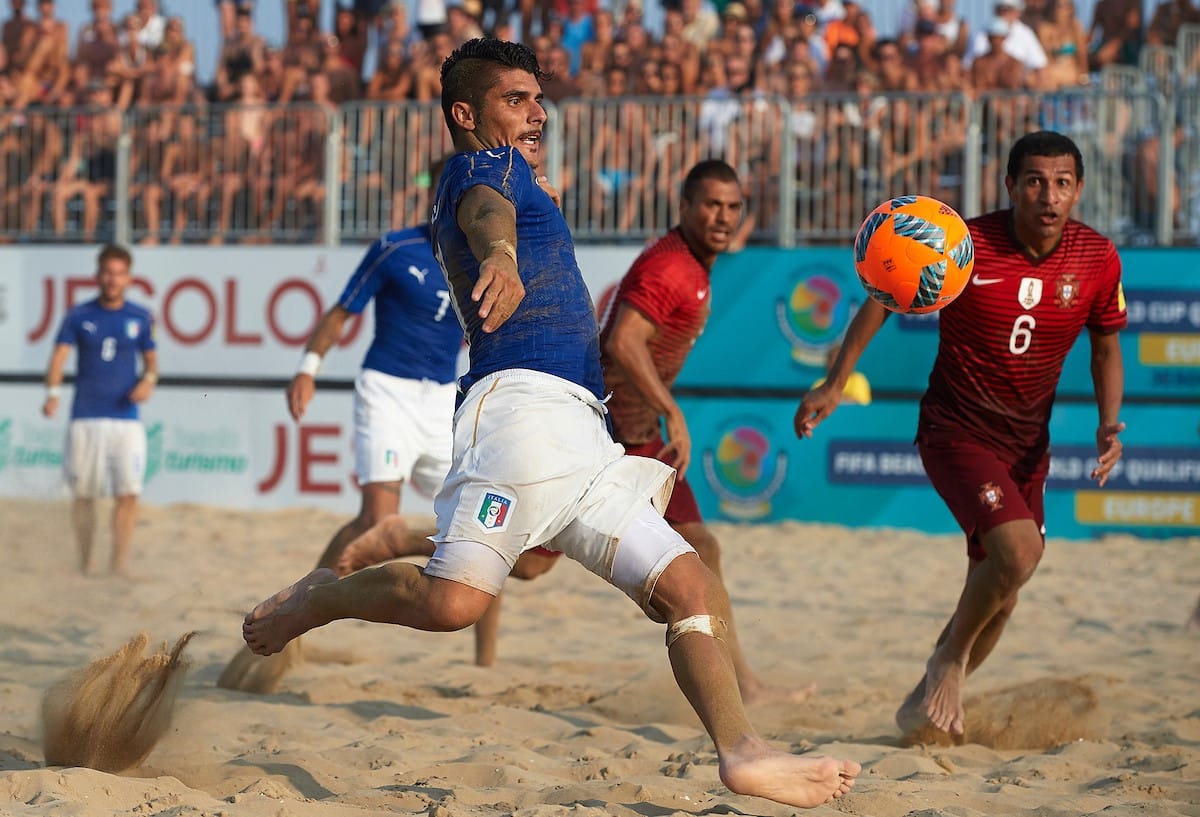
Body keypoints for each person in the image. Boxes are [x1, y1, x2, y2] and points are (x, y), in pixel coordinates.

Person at [242, 37, 859, 808]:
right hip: (522, 413)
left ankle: (741, 750)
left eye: (538, 98)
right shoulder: (480, 170)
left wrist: (525, 220)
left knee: (690, 581)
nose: (538, 112)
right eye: (516, 100)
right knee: (453, 604)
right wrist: (500, 252)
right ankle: (319, 599)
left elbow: (507, 208)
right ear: (465, 115)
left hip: (583, 429)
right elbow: (484, 212)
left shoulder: (517, 175)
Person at [795, 130, 1126, 739]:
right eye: (1033, 181)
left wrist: (1109, 422)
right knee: (1019, 553)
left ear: (1078, 189)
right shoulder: (963, 244)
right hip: (956, 430)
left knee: (1005, 590)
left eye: (1061, 183)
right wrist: (836, 381)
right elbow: (883, 297)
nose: (1048, 196)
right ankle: (946, 663)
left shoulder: (1097, 257)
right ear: (1010, 186)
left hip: (1029, 444)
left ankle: (920, 705)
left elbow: (1106, 347)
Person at [42, 244, 157, 577]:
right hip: (86, 417)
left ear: (129, 277)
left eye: (119, 273)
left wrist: (148, 381)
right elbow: (59, 358)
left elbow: (151, 363)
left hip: (126, 420)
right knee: (84, 496)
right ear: (97, 275)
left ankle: (117, 565)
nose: (113, 279)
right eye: (108, 272)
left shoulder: (140, 316)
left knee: (129, 494)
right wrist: (52, 393)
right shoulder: (79, 316)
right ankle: (84, 563)